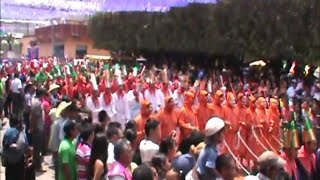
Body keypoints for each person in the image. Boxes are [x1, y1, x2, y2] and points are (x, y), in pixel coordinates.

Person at [29, 88, 47, 172]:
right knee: (37, 148)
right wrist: (32, 128)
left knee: (37, 148)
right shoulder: (36, 103)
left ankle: (36, 164)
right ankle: (37, 166)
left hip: (39, 127)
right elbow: (34, 117)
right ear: (41, 94)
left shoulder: (37, 102)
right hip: (37, 128)